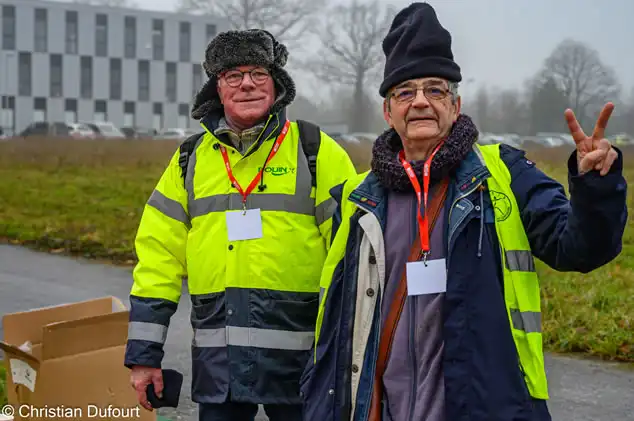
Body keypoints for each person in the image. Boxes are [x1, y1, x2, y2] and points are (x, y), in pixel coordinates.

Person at [299, 3, 628, 421]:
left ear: (455, 105)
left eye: (435, 89)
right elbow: (336, 327)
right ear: (388, 112)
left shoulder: (504, 174)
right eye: (405, 92)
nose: (420, 102)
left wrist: (596, 187)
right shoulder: (357, 199)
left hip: (487, 407)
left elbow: (578, 249)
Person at [123, 28, 357, 421]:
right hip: (221, 370)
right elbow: (157, 261)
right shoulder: (189, 161)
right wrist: (144, 357)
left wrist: (351, 352)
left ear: (276, 83)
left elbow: (351, 260)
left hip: (304, 369)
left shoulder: (315, 150)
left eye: (258, 73)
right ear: (217, 88)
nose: (247, 83)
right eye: (234, 75)